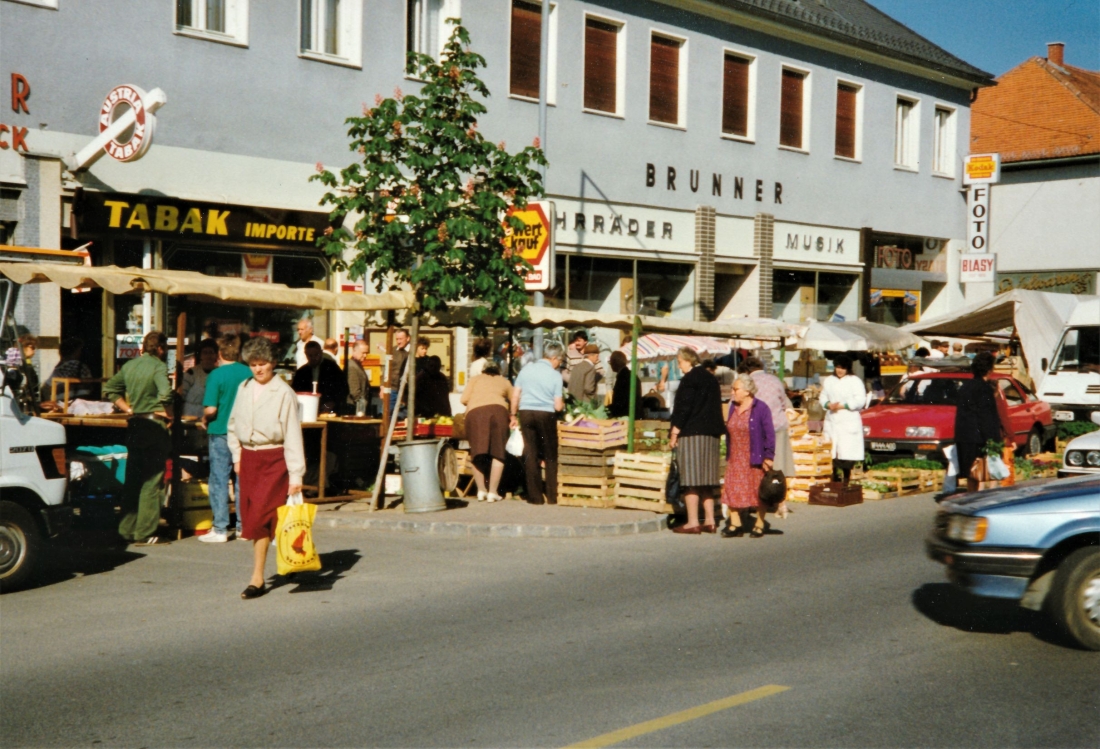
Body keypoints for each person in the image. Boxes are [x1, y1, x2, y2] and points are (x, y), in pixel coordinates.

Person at [228, 337, 305, 599]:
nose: (258, 369)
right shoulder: (244, 387)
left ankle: (257, 578)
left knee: (261, 516)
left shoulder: (284, 392)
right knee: (258, 515)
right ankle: (290, 556)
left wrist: (296, 474)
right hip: (249, 458)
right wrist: (237, 455)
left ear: (273, 363)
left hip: (274, 459)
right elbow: (233, 423)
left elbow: (292, 434)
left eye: (263, 364)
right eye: (253, 364)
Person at [103, 331, 173, 546]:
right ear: (160, 348)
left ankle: (126, 529)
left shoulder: (130, 366)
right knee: (152, 481)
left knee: (133, 479)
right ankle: (145, 532)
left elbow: (110, 389)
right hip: (154, 426)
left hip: (135, 424)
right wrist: (169, 413)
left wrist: (128, 409)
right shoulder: (158, 366)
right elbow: (165, 394)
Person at [199, 334, 252, 543]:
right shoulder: (248, 372)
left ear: (219, 354)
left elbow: (211, 409)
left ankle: (220, 528)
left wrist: (204, 418)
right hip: (244, 432)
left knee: (219, 479)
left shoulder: (216, 375)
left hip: (220, 430)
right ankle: (243, 526)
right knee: (242, 479)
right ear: (238, 353)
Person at [668, 347, 725, 534]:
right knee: (707, 480)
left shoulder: (690, 379)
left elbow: (683, 408)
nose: (679, 366)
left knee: (690, 480)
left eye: (680, 362)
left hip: (692, 434)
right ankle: (710, 521)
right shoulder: (711, 378)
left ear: (688, 360)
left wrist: (674, 432)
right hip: (712, 435)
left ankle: (693, 522)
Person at [721, 373, 776, 538]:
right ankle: (735, 523)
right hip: (735, 456)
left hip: (754, 456)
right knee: (731, 488)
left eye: (735, 389)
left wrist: (768, 456)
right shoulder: (732, 407)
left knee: (757, 491)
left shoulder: (761, 408)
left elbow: (769, 434)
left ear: (747, 391)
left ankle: (759, 523)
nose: (732, 392)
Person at [510, 342, 565, 505]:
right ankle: (552, 496)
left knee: (530, 452)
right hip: (546, 414)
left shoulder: (526, 370)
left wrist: (513, 415)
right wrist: (563, 405)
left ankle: (535, 496)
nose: (559, 363)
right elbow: (558, 406)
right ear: (554, 358)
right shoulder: (555, 375)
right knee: (550, 454)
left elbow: (515, 395)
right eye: (560, 360)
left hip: (526, 413)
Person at [741, 357, 794, 517]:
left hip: (758, 429)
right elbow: (785, 404)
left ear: (746, 370)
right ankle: (781, 504)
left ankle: (756, 502)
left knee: (757, 466)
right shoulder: (775, 380)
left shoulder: (747, 383)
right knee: (778, 467)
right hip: (778, 426)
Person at [461, 362, 513, 502]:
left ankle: (481, 490)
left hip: (475, 414)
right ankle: (493, 492)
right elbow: (514, 399)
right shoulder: (504, 381)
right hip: (499, 412)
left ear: (483, 371)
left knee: (477, 452)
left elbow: (463, 399)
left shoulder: (475, 379)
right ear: (499, 371)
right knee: (498, 452)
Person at [955, 353, 1006, 493]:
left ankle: (970, 498)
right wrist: (993, 440)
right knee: (982, 473)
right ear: (989, 370)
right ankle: (978, 500)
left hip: (964, 436)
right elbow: (987, 416)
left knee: (971, 474)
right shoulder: (985, 389)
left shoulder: (965, 387)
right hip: (979, 438)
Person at [820, 354, 865, 485]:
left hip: (848, 418)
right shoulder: (829, 380)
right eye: (838, 367)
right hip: (832, 419)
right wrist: (828, 404)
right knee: (832, 452)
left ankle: (846, 479)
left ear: (848, 368)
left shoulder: (855, 381)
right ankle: (834, 478)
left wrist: (843, 406)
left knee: (846, 453)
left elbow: (860, 400)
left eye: (843, 368)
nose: (840, 370)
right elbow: (823, 396)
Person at [291, 340, 347, 414]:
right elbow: (295, 392)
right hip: (307, 410)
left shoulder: (331, 368)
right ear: (306, 354)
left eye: (316, 355)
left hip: (328, 410)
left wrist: (333, 403)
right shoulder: (301, 373)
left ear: (321, 352)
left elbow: (343, 389)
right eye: (310, 355)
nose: (313, 358)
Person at [41, 337, 94, 402]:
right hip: (76, 403)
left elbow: (45, 388)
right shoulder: (77, 365)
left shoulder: (59, 367)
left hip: (58, 403)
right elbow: (88, 388)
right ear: (76, 351)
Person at [180, 338, 219, 418]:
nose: (208, 356)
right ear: (200, 355)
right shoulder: (191, 373)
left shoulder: (220, 373)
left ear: (216, 355)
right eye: (205, 353)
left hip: (212, 416)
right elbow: (182, 394)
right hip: (191, 416)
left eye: (211, 352)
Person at [383, 328, 410, 417]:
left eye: (401, 339)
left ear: (408, 338)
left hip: (407, 390)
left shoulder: (412, 352)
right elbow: (386, 368)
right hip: (393, 388)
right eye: (397, 339)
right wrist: (382, 386)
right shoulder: (393, 350)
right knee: (388, 414)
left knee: (404, 415)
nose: (398, 341)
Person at [608, 350, 642, 419]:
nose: (610, 364)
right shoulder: (631, 375)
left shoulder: (623, 377)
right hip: (634, 414)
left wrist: (610, 409)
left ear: (615, 363)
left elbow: (620, 401)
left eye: (611, 362)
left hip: (626, 416)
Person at [17, 334, 41, 414]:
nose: (34, 351)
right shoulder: (21, 364)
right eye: (32, 348)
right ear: (23, 347)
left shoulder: (27, 363)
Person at [346, 339, 371, 414]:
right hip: (354, 408)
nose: (365, 356)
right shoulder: (352, 366)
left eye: (366, 353)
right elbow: (355, 392)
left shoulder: (357, 365)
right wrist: (362, 408)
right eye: (363, 353)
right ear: (354, 351)